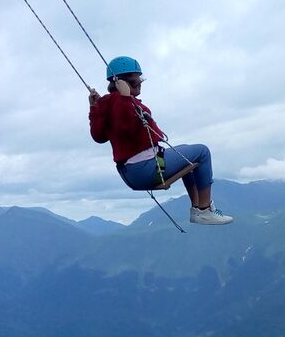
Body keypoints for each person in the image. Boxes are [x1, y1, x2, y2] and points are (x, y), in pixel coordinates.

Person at [88, 56, 232, 226]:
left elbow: (98, 137)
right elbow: (125, 127)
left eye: (141, 79)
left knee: (187, 152)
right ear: (121, 82)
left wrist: (94, 108)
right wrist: (126, 98)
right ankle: (205, 210)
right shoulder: (123, 101)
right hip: (145, 169)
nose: (140, 83)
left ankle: (197, 210)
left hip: (130, 172)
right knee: (202, 151)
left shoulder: (106, 104)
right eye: (135, 80)